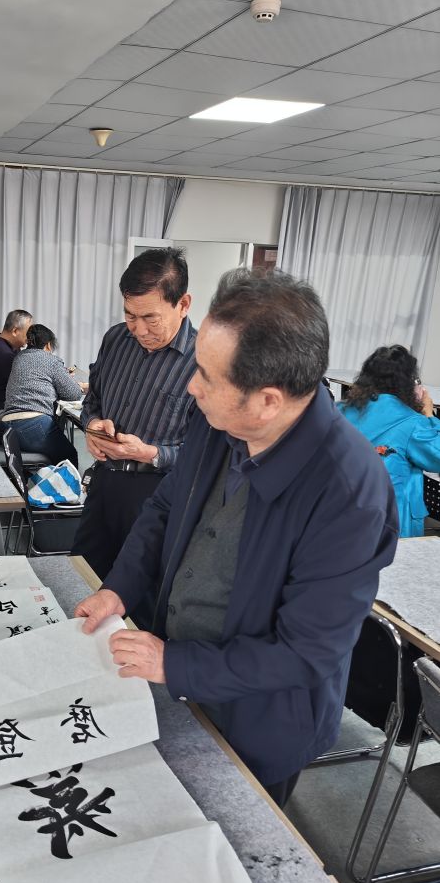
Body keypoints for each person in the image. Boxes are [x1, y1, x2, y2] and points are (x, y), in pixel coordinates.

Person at [75, 268, 398, 807]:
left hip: (259, 722)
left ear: (267, 400)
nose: (191, 386)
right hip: (174, 679)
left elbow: (304, 652)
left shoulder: (349, 492)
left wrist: (174, 664)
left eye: (205, 375)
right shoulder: (219, 421)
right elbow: (165, 507)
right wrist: (119, 589)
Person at [71, 248, 198, 607]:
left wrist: (151, 453)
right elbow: (92, 400)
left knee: (139, 597)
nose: (139, 329)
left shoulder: (204, 361)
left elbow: (206, 455)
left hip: (157, 496)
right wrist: (92, 425)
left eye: (151, 318)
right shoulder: (116, 340)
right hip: (105, 482)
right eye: (130, 315)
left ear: (183, 304)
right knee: (82, 577)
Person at [339, 345, 440, 537]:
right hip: (390, 524)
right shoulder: (412, 423)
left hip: (340, 515)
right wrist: (429, 414)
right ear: (409, 384)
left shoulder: (338, 411)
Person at [1, 323, 84, 466]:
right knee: (68, 456)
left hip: (7, 427)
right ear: (48, 345)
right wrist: (75, 384)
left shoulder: (19, 358)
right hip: (32, 426)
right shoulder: (51, 360)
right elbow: (73, 394)